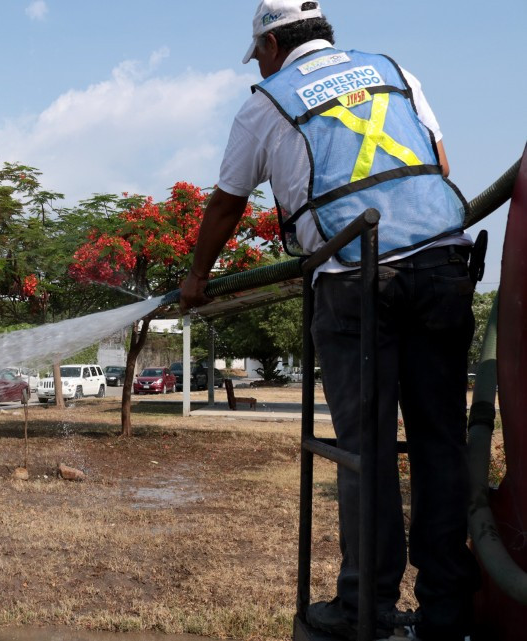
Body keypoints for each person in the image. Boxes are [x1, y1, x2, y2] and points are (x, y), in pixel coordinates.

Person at [179, 2, 478, 639]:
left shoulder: (266, 102)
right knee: (439, 444)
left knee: (361, 451)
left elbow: (230, 202)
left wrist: (197, 280)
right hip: (444, 265)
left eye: (257, 52)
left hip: (353, 279)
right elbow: (442, 167)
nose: (257, 63)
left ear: (272, 42)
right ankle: (448, 611)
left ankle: (363, 609)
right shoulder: (394, 70)